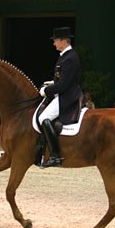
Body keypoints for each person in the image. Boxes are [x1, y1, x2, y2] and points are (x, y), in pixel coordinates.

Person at [38, 27, 83, 167]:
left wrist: (46, 91)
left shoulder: (70, 58)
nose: (54, 43)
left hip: (68, 96)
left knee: (43, 118)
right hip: (65, 92)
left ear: (63, 41)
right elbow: (63, 79)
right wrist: (52, 83)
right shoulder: (65, 56)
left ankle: (55, 155)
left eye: (56, 40)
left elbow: (64, 85)